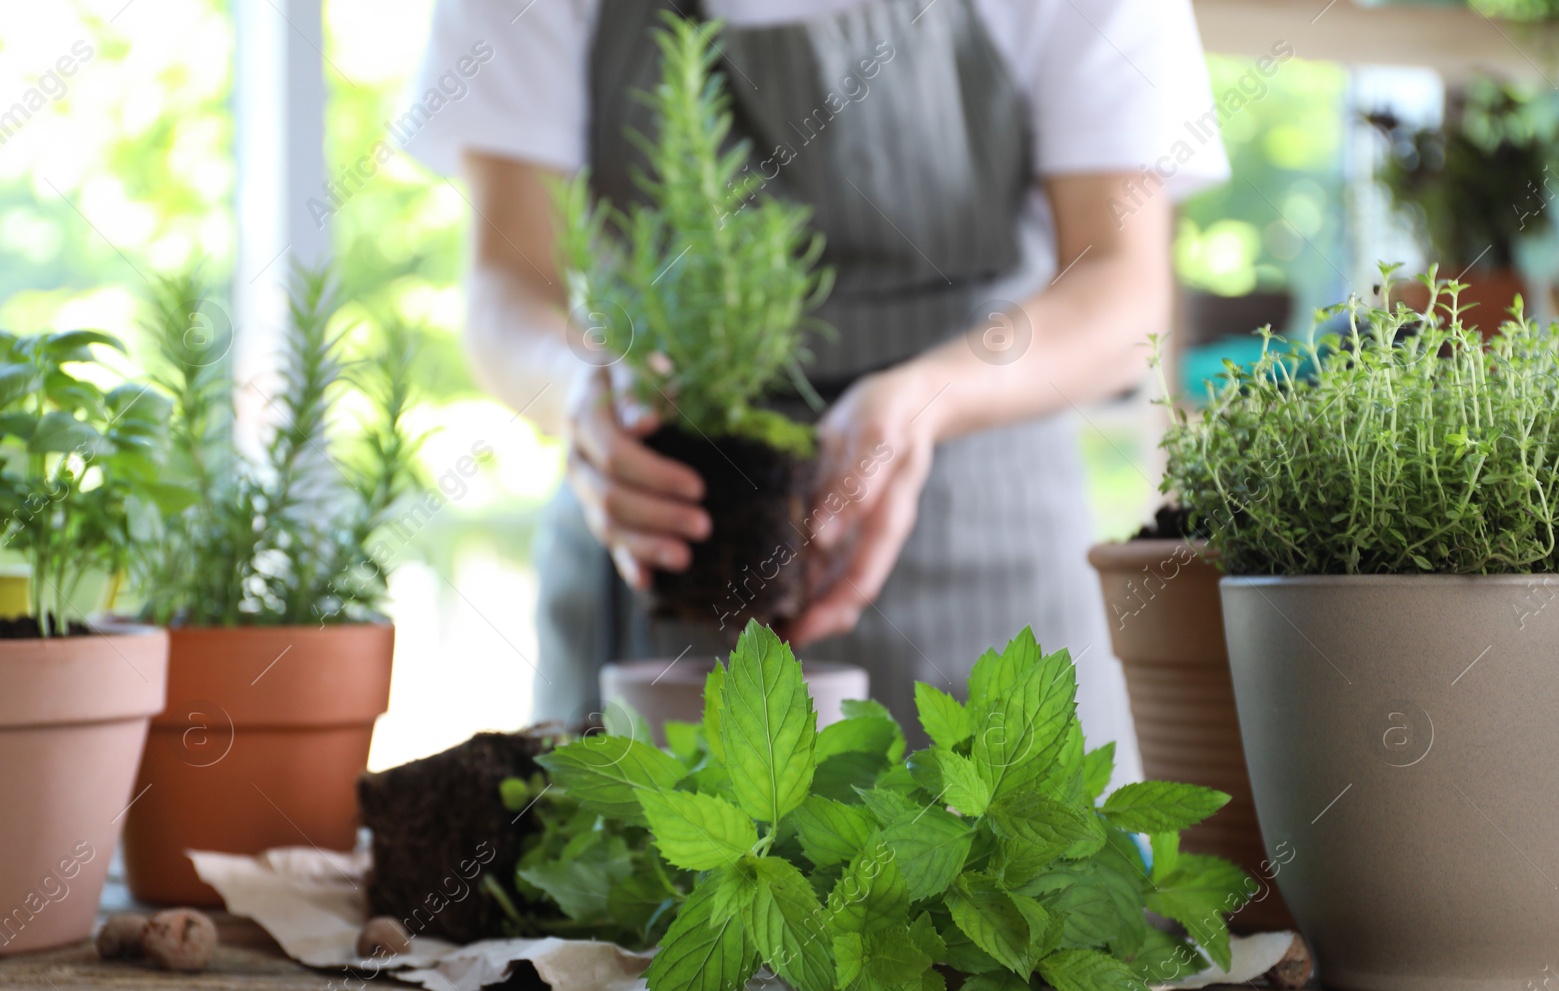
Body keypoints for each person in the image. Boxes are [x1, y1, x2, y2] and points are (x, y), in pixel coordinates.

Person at [404, 0, 1228, 775]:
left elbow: (1123, 288)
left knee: (1014, 898)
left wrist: (930, 396)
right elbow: (506, 281)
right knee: (635, 916)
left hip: (981, 544)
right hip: (657, 559)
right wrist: (582, 390)